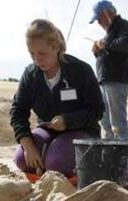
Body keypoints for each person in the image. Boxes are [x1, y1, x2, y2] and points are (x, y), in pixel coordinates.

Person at [10, 19, 104, 178]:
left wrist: (67, 121)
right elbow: (18, 111)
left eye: (42, 53)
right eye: (32, 54)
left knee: (55, 165)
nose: (37, 59)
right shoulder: (30, 75)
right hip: (48, 130)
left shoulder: (81, 71)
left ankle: (85, 162)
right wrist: (28, 146)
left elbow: (97, 110)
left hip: (82, 131)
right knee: (21, 159)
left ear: (56, 47)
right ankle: (48, 161)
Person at [90, 0, 128, 140]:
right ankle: (110, 152)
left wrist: (105, 44)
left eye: (99, 18)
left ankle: (122, 157)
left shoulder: (123, 25)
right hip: (106, 81)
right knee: (105, 121)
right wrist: (97, 51)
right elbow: (109, 53)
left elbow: (126, 44)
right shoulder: (109, 33)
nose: (98, 22)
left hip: (117, 81)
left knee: (117, 123)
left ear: (108, 13)